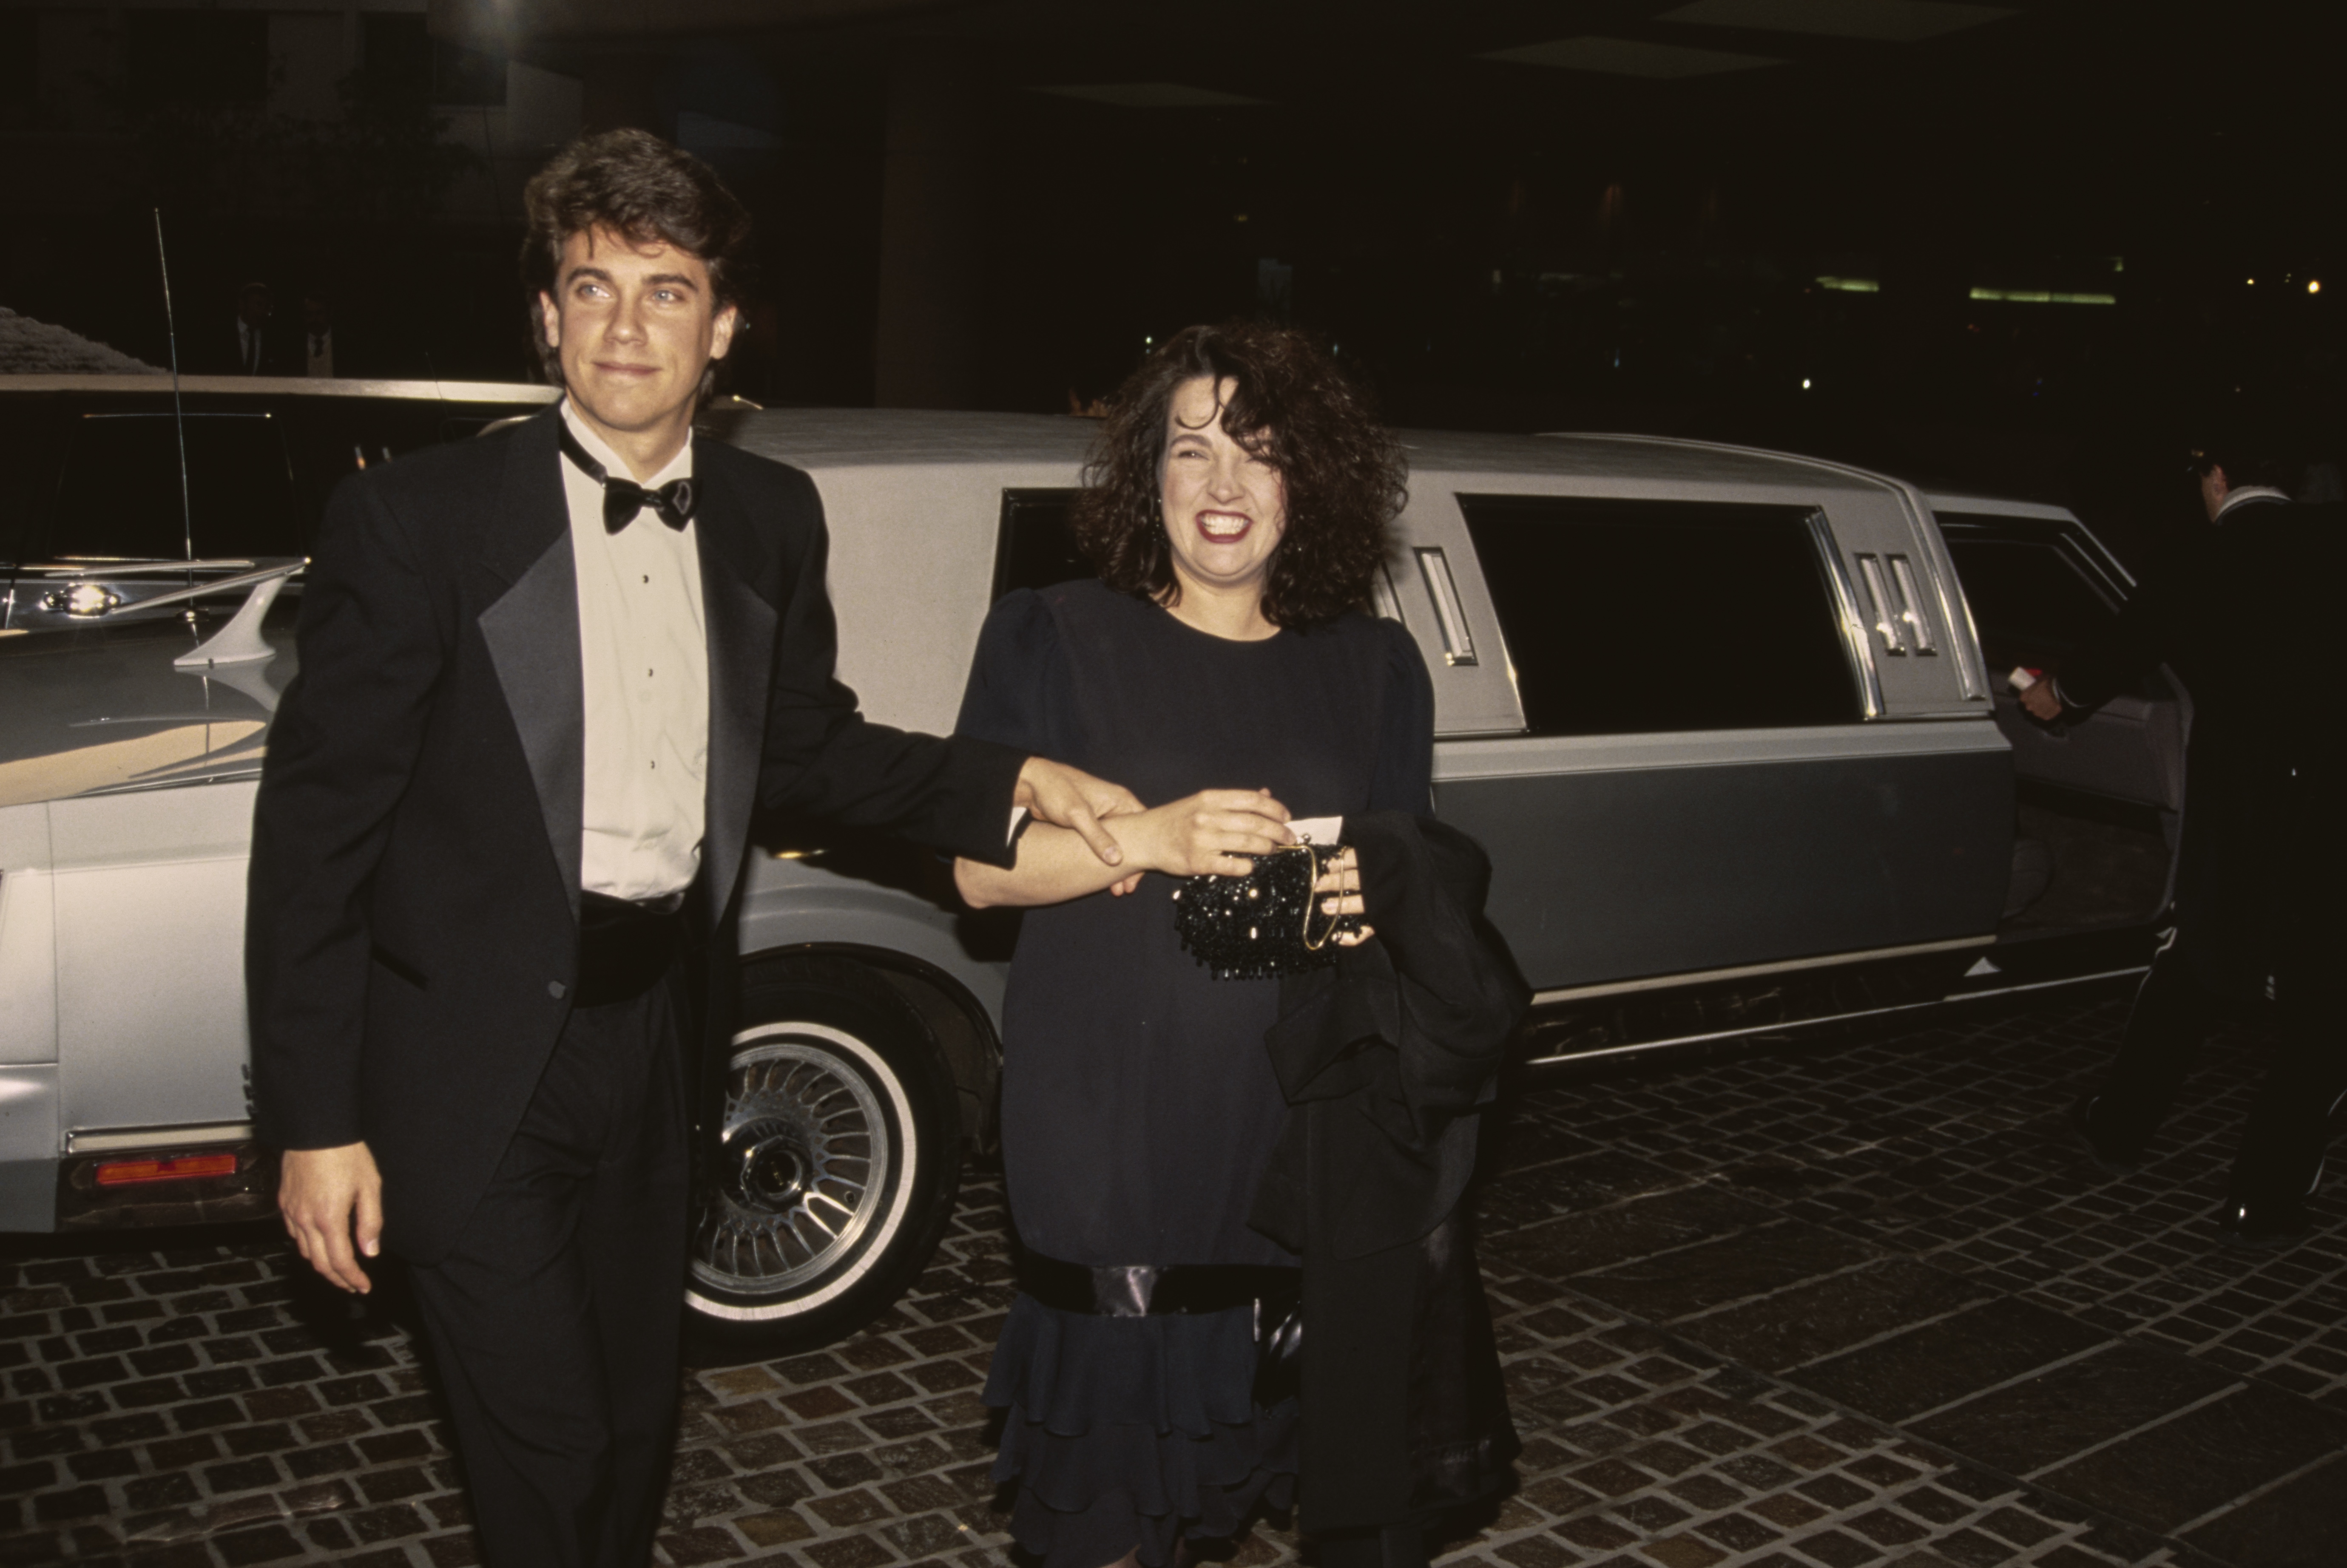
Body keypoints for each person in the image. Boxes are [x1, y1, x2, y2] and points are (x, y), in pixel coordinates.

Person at [245, 129, 1136, 1568]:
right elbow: (314, 839)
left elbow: (804, 750)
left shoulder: (774, 517)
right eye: (591, 286)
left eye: (665, 290)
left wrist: (1013, 775)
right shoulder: (416, 520)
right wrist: (315, 1117)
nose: (622, 325)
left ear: (722, 326)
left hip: (666, 1032)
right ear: (545, 314)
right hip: (470, 1053)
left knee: (633, 1416)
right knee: (544, 1441)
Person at [955, 322, 1515, 1568]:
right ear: (1142, 474)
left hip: (1290, 1137)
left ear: (1305, 482)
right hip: (1107, 1130)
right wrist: (1148, 837)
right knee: (1104, 1501)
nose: (1222, 485)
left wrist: (1286, 892)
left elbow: (1385, 902)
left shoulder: (1372, 667)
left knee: (1256, 1473)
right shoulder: (1050, 632)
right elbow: (979, 872)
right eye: (1191, 449)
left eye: (1260, 456)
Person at [2027, 430, 2344, 1245]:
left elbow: (2102, 665)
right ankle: (2260, 1197)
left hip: (2240, 802)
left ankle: (2118, 1125)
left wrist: (2054, 695)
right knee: (2323, 1001)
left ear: (2217, 476)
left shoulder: (2197, 557)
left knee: (2197, 958)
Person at [299, 290, 335, 377]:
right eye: (309, 314)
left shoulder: (348, 345)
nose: (314, 319)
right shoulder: (293, 346)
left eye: (319, 314)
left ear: (329, 314)